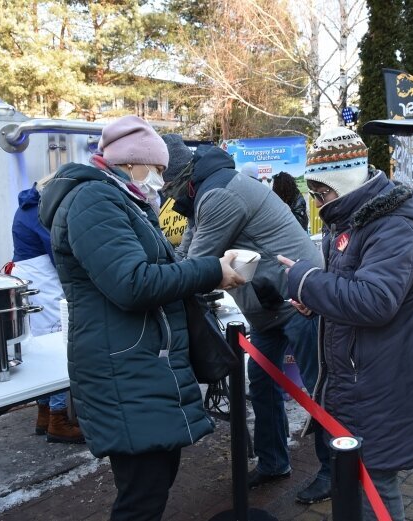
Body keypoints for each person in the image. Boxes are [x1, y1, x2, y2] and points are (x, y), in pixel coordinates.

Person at [38, 115, 245, 521]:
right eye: (159, 168)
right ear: (133, 162)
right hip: (123, 368)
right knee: (142, 496)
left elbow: (151, 274)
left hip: (138, 366)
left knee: (153, 484)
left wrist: (202, 278)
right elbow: (131, 283)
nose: (162, 180)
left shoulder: (122, 200)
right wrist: (211, 270)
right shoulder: (93, 200)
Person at [278, 127, 413, 520]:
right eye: (313, 195)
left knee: (375, 485)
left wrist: (305, 280)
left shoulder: (393, 226)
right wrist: (315, 303)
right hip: (359, 379)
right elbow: (352, 290)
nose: (318, 204)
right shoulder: (351, 220)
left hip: (383, 380)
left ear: (345, 182)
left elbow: (374, 301)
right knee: (357, 480)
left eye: (323, 193)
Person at [166, 144, 332, 503]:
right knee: (261, 384)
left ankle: (335, 469)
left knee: (319, 388)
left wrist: (164, 280)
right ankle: (274, 462)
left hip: (298, 302)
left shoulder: (220, 196)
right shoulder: (206, 193)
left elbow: (196, 262)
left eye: (165, 187)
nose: (164, 196)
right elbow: (186, 253)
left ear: (179, 177)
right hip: (267, 306)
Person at [9, 176, 84, 444]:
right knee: (59, 345)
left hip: (32, 280)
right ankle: (58, 419)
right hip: (44, 283)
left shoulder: (27, 207)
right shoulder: (38, 211)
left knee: (41, 347)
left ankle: (43, 414)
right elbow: (58, 248)